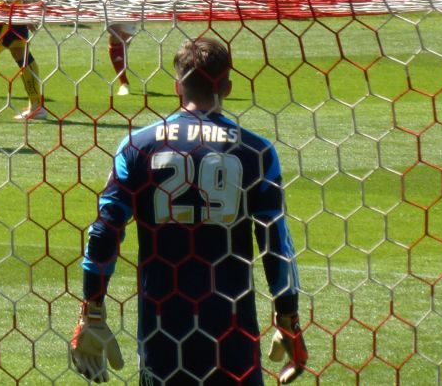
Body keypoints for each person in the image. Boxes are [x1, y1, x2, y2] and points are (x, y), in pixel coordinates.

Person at [70, 36, 307, 384]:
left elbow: (104, 231)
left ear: (177, 85)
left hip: (163, 333)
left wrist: (91, 311)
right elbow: (276, 242)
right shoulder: (257, 151)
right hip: (232, 335)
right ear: (227, 85)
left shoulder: (138, 145)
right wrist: (288, 318)